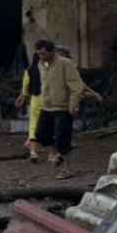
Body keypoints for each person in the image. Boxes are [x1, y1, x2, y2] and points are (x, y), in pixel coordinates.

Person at [32, 39, 83, 180]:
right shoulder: (41, 64)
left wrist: (73, 104)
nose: (40, 56)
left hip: (63, 107)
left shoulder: (65, 64)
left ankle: (66, 169)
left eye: (43, 53)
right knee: (40, 134)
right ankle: (55, 155)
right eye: (38, 53)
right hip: (46, 106)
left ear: (51, 51)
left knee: (63, 138)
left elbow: (76, 86)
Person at [15, 50, 44, 162]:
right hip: (49, 99)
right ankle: (53, 153)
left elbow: (25, 86)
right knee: (49, 123)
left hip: (36, 99)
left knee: (33, 124)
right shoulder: (48, 69)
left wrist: (22, 97)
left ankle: (33, 152)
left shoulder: (29, 70)